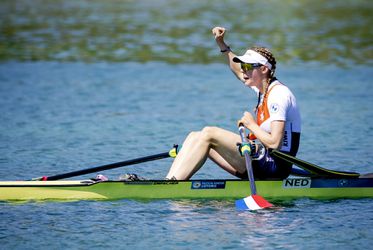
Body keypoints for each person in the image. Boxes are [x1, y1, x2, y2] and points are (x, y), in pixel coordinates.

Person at [166, 26, 301, 180]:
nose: (244, 71)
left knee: (209, 133)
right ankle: (170, 181)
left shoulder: (279, 94)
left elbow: (275, 143)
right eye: (243, 66)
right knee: (195, 136)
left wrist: (251, 125)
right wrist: (221, 44)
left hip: (275, 167)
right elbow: (236, 69)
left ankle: (172, 186)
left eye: (249, 67)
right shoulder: (263, 90)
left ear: (264, 69)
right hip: (263, 160)